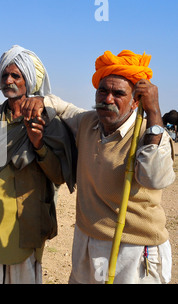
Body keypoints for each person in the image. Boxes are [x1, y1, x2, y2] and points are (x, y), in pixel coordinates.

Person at [21, 50, 175, 283]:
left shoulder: (149, 134)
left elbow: (154, 178)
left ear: (135, 101)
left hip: (133, 250)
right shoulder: (87, 122)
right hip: (87, 241)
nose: (108, 99)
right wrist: (42, 100)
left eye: (118, 93)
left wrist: (154, 112)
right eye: (103, 91)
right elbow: (63, 108)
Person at [0, 45, 76, 284]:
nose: (9, 80)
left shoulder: (47, 120)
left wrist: (39, 146)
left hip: (26, 221)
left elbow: (59, 176)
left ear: (29, 80)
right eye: (5, 75)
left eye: (16, 75)